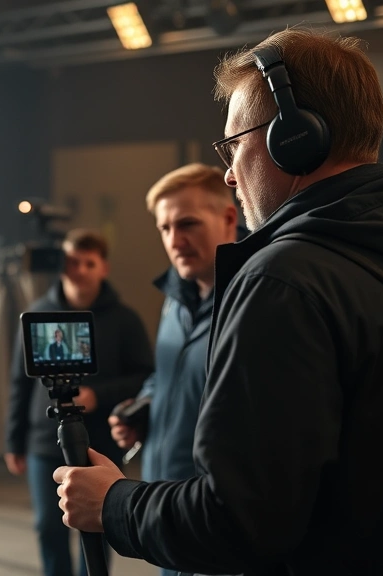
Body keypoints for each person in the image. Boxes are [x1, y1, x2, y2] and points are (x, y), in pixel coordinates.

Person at [53, 28, 383, 575]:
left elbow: (238, 520)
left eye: (234, 145)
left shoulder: (284, 281)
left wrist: (114, 503)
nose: (230, 173)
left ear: (294, 138)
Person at [108, 163, 238, 576]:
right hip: (163, 510)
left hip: (213, 522)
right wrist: (146, 405)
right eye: (164, 228)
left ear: (229, 218)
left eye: (188, 224)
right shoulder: (175, 298)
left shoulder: (251, 300)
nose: (175, 241)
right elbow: (167, 376)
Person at [5, 228, 154, 576]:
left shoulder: (125, 319)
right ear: (61, 265)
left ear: (103, 268)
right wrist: (14, 441)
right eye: (73, 261)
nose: (80, 270)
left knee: (99, 527)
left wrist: (97, 395)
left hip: (101, 441)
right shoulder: (37, 314)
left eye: (89, 263)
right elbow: (19, 384)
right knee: (49, 527)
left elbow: (145, 377)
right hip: (45, 442)